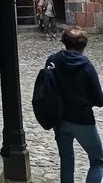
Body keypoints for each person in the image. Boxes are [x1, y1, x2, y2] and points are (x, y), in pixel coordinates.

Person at [48, 26, 103, 183]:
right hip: (82, 120)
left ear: (64, 42)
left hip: (59, 119)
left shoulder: (53, 60)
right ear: (83, 45)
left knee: (66, 160)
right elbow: (99, 100)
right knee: (98, 161)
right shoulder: (86, 66)